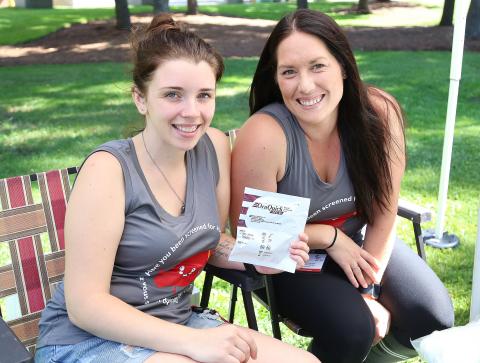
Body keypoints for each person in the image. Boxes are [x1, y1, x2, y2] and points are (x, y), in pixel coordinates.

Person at [34, 14, 319, 363]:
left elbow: (209, 241)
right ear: (140, 98)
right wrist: (190, 342)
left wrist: (265, 254)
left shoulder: (212, 147)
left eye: (204, 95)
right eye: (173, 95)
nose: (192, 112)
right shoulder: (108, 171)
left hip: (177, 324)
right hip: (88, 340)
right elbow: (85, 306)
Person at [229, 9, 454, 363]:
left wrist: (369, 291)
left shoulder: (380, 115)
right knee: (352, 328)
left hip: (359, 243)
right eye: (289, 72)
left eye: (318, 66)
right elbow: (260, 245)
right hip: (291, 261)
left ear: (344, 66)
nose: (305, 86)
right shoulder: (265, 135)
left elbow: (383, 214)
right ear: (276, 78)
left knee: (432, 316)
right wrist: (328, 238)